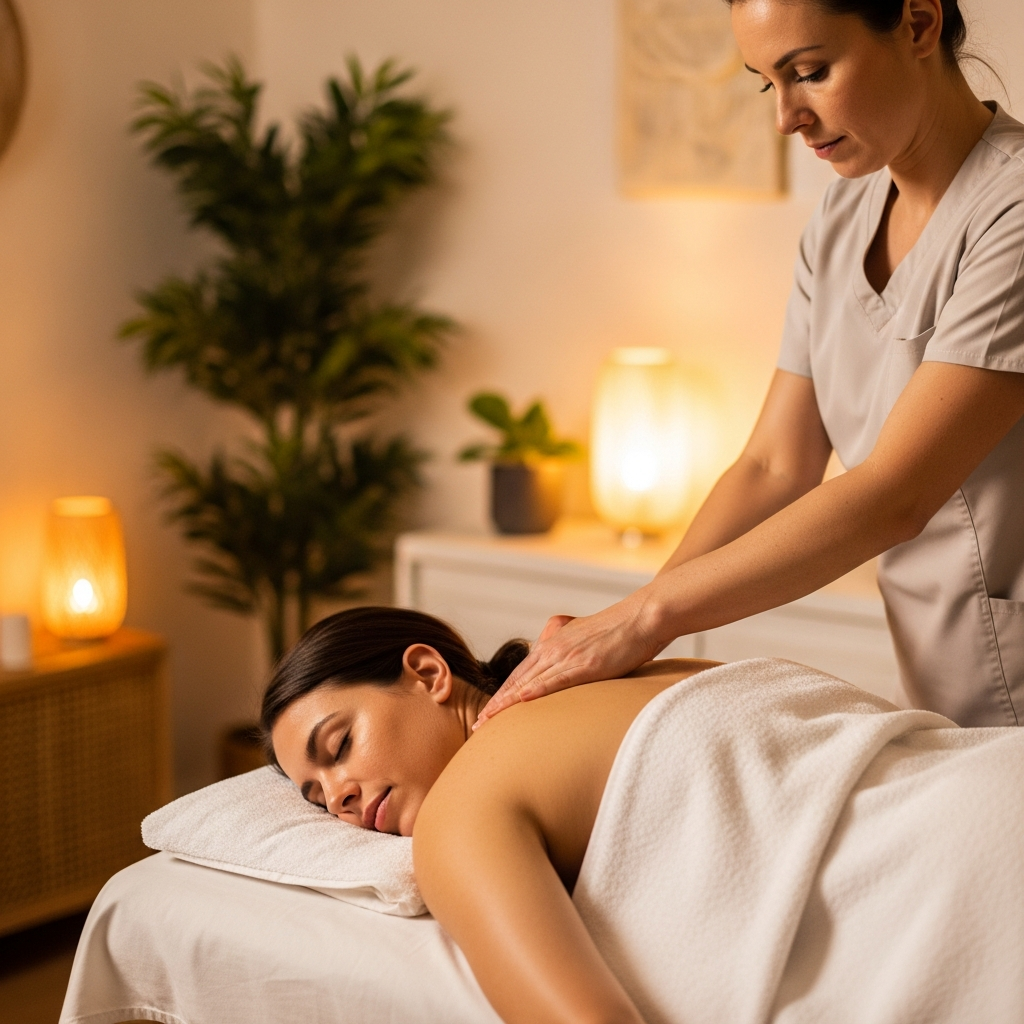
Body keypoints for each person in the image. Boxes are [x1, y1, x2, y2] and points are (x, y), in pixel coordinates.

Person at [476, 0, 1024, 731]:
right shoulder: (838, 223)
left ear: (919, 24)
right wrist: (629, 633)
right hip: (938, 677)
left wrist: (644, 619)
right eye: (769, 83)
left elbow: (897, 492)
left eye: (810, 72)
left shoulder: (1012, 209)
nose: (786, 117)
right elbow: (773, 464)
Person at [264, 606, 712, 1024]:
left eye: (340, 745)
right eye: (318, 799)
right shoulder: (640, 673)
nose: (339, 797)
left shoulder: (459, 812)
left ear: (427, 673)